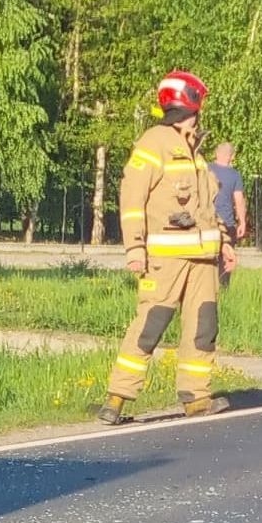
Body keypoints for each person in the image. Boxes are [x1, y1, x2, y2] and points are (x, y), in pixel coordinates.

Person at [98, 71, 230, 423]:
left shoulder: (195, 151)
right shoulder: (154, 142)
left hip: (203, 259)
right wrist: (134, 248)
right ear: (190, 103)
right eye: (199, 105)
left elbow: (206, 208)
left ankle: (196, 398)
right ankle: (117, 398)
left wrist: (226, 244)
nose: (201, 113)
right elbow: (131, 198)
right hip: (165, 261)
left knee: (203, 328)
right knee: (150, 326)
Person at [207, 141, 247, 276]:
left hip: (207, 223)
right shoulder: (234, 175)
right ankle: (223, 291)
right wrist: (242, 222)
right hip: (227, 224)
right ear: (232, 156)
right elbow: (239, 200)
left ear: (215, 154)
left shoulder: (205, 169)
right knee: (225, 262)